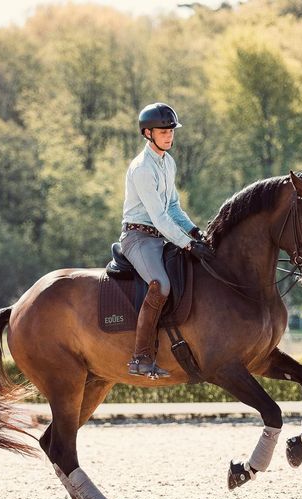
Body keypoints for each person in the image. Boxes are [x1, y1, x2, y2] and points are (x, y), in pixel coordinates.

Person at [120, 102, 214, 379]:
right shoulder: (141, 169)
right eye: (163, 131)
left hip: (161, 238)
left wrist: (196, 232)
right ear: (147, 133)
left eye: (171, 130)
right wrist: (187, 244)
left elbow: (173, 207)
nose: (169, 135)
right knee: (160, 286)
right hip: (137, 237)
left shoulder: (167, 162)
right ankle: (141, 357)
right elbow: (159, 217)